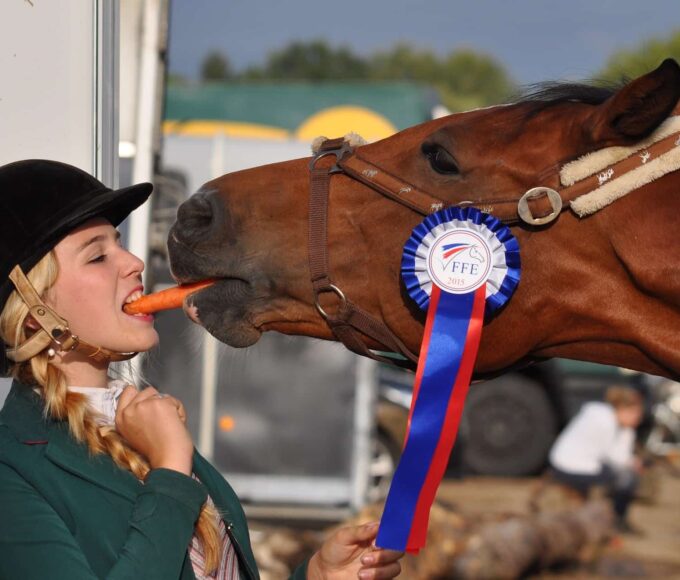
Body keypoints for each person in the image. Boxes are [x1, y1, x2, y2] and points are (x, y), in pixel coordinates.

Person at [0, 159, 403, 579]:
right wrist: (171, 471)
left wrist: (314, 577)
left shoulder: (139, 420)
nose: (134, 262)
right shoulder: (11, 470)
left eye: (119, 243)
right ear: (34, 316)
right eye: (98, 256)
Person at [548, 385, 645, 533]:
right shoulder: (603, 421)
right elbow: (613, 457)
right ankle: (616, 519)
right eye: (634, 412)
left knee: (623, 475)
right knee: (626, 479)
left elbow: (619, 455)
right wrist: (633, 463)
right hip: (569, 466)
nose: (638, 418)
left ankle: (613, 517)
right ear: (621, 408)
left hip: (580, 464)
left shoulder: (617, 424)